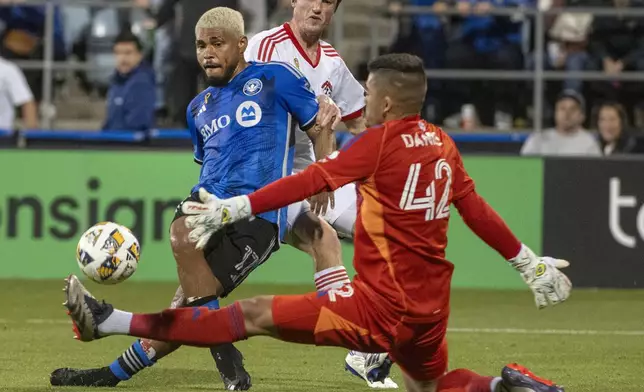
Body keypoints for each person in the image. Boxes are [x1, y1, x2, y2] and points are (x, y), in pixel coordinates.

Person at [63, 53, 572, 392]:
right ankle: (504, 386)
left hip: (380, 307)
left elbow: (309, 183)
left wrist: (237, 207)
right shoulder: (443, 145)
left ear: (388, 101)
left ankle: (111, 321)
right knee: (433, 386)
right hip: (430, 308)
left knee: (252, 316)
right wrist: (529, 263)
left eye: (369, 94)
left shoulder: (377, 143)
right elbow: (476, 210)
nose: (362, 103)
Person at [50, 7, 339, 391]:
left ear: (241, 44)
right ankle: (214, 360)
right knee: (183, 240)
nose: (208, 53)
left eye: (217, 44)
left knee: (187, 310)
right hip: (207, 205)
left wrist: (323, 176)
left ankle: (115, 350)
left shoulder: (274, 78)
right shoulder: (197, 107)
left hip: (259, 214)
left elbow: (319, 124)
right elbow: (211, 166)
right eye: (201, 45)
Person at [244, 1, 395, 386]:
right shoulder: (264, 47)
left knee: (392, 233)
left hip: (317, 170)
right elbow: (243, 108)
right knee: (322, 240)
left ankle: (363, 349)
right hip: (269, 174)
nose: (318, 7)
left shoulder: (331, 61)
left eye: (329, 1)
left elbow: (360, 120)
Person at [102, 31, 156, 132]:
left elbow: (137, 125)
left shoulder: (141, 84)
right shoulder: (115, 82)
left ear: (139, 55)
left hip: (128, 146)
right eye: (118, 53)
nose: (122, 58)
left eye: (128, 53)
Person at [521, 90, 602, 156]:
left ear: (581, 116)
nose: (567, 113)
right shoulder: (539, 139)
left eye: (572, 109)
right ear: (555, 113)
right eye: (562, 108)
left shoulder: (589, 143)